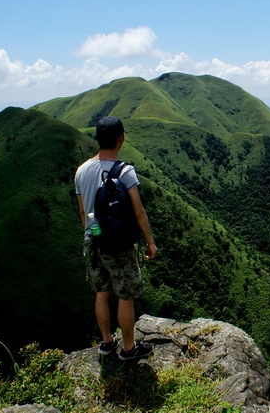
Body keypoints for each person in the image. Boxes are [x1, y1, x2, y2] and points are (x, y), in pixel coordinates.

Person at [74, 116, 157, 360]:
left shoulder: (81, 171)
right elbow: (139, 212)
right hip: (118, 244)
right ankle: (129, 349)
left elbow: (82, 211)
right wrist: (150, 242)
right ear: (120, 139)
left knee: (101, 291)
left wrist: (91, 235)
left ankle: (107, 342)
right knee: (125, 294)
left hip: (93, 240)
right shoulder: (125, 171)